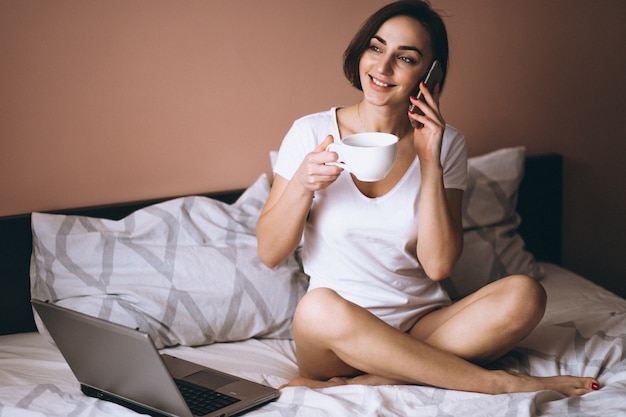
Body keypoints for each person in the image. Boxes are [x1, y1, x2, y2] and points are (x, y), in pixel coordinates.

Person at [256, 0, 599, 396]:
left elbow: (438, 266)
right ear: (361, 52)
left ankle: (373, 380)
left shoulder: (447, 143)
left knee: (526, 293)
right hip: (335, 339)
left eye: (405, 57)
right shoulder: (309, 132)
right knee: (316, 308)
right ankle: (496, 383)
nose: (382, 68)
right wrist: (302, 184)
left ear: (430, 75)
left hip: (421, 324)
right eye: (376, 47)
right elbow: (269, 252)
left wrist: (429, 161)